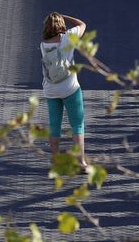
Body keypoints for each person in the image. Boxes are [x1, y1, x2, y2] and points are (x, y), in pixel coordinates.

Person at [40, 12, 88, 170]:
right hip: (70, 88)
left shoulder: (43, 44)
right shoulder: (68, 37)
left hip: (50, 90)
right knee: (77, 125)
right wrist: (65, 17)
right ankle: (81, 163)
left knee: (54, 126)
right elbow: (82, 24)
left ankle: (56, 161)